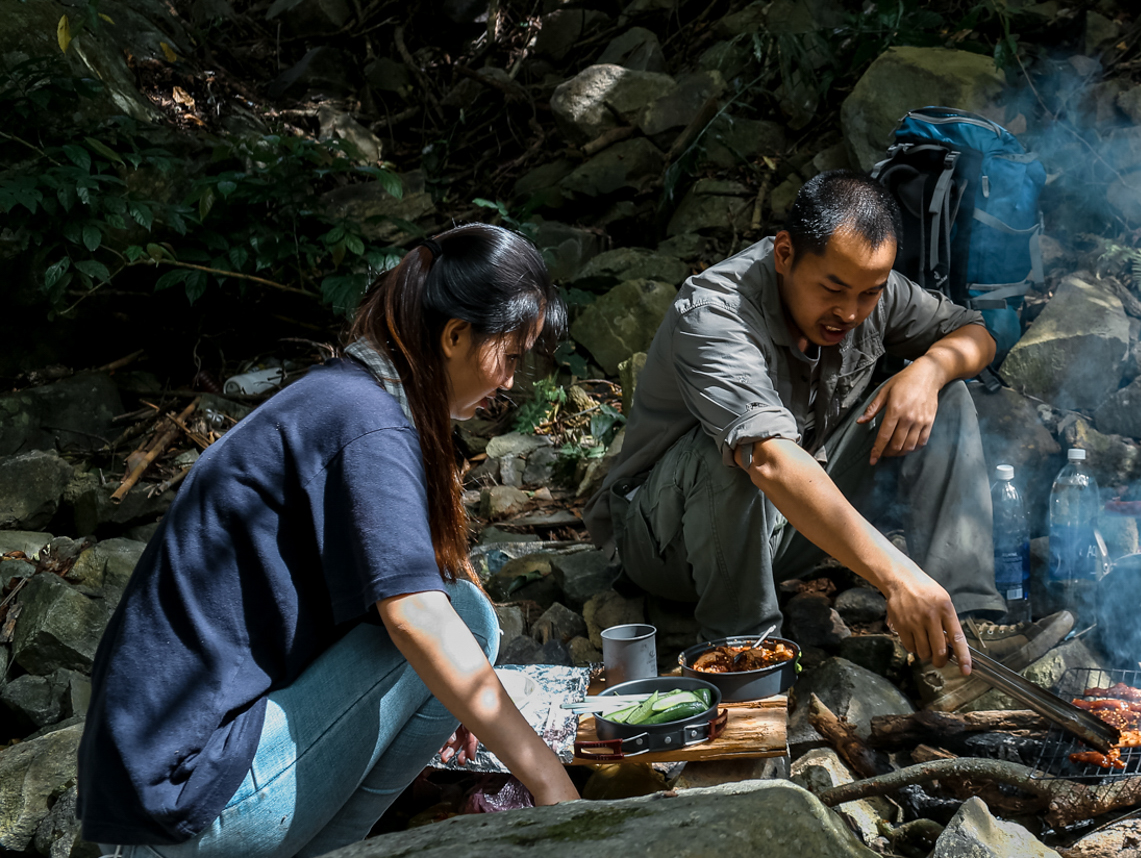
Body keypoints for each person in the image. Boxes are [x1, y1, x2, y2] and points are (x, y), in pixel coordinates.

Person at [79, 224, 582, 857]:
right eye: (511, 356)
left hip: (152, 800)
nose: (511, 382)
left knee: (453, 614)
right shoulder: (364, 423)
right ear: (455, 336)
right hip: (184, 807)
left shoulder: (343, 400)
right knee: (464, 617)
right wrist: (553, 785)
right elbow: (417, 617)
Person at [584, 170, 1070, 694]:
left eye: (869, 294)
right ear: (786, 253)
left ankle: (958, 634)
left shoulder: (867, 291)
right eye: (833, 290)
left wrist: (927, 372)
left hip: (780, 529)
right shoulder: (715, 313)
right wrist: (895, 576)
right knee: (741, 446)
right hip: (665, 545)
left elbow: (974, 333)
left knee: (945, 397)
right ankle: (744, 660)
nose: (851, 312)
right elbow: (770, 459)